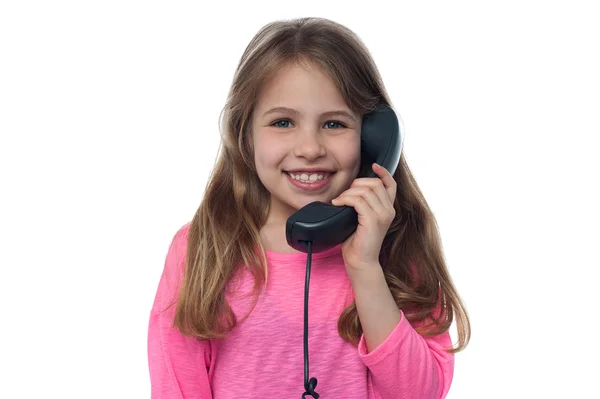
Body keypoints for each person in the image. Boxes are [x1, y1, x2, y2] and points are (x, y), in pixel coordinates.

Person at [148, 16, 470, 398]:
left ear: (373, 137)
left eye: (334, 124)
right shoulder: (202, 249)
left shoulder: (395, 248)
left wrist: (365, 268)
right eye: (283, 122)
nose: (310, 148)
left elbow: (421, 393)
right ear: (244, 135)